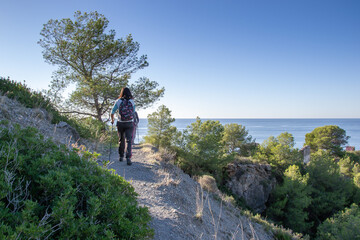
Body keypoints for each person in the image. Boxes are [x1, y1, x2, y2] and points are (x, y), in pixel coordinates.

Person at [111, 87, 136, 166]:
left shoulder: (118, 101)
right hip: (129, 123)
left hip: (120, 123)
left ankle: (121, 156)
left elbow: (112, 112)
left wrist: (112, 120)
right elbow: (133, 112)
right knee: (129, 141)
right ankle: (128, 158)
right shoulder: (132, 101)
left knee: (121, 139)